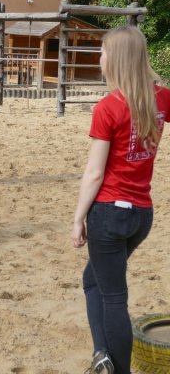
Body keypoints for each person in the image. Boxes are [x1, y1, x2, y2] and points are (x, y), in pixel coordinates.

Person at [71, 26, 170, 374]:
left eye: (103, 51)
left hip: (109, 215)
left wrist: (77, 218)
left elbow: (94, 173)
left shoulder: (108, 107)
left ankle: (116, 368)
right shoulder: (161, 98)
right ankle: (103, 356)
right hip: (142, 214)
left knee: (113, 297)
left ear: (116, 59)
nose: (99, 58)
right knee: (93, 279)